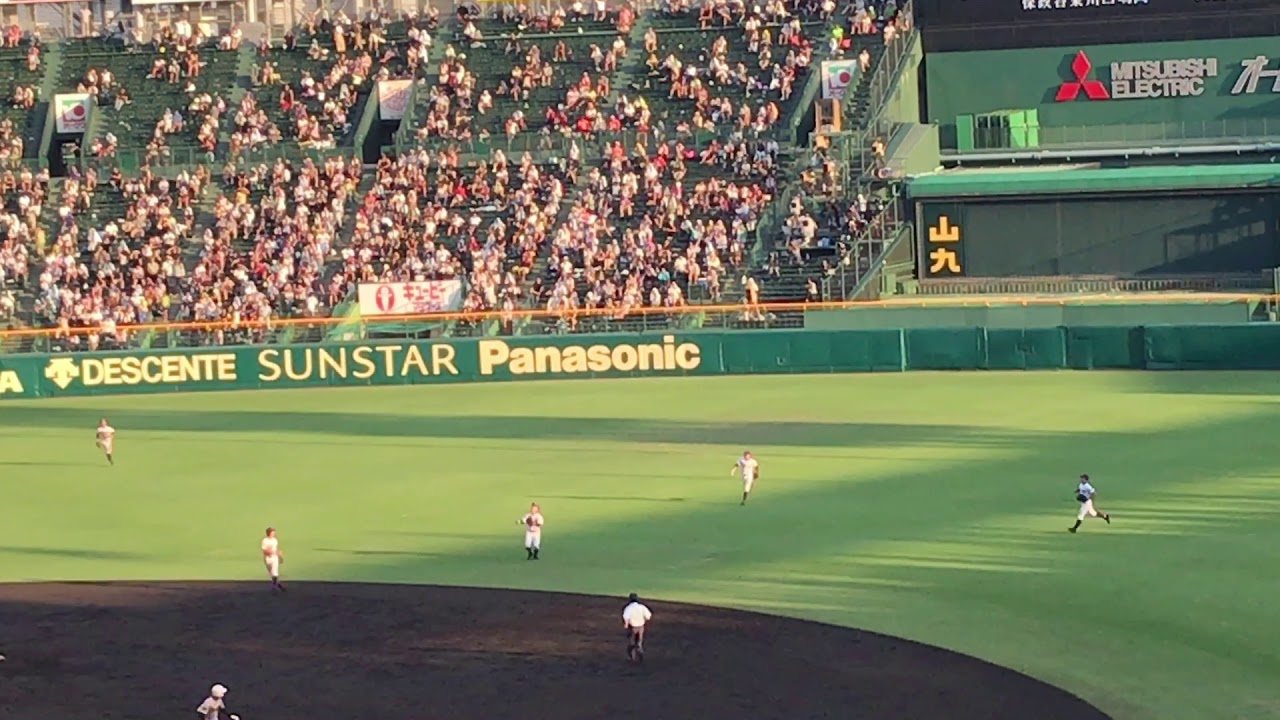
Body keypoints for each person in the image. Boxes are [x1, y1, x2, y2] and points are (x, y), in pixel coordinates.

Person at [622, 592, 652, 663]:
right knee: (639, 641)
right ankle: (640, 651)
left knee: (631, 642)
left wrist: (626, 624)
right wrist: (643, 620)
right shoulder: (642, 607)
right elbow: (648, 616)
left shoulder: (629, 607)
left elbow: (626, 617)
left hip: (632, 627)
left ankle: (632, 658)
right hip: (641, 626)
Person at [262, 527, 285, 592]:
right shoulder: (265, 541)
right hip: (268, 559)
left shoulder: (275, 540)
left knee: (275, 573)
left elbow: (276, 549)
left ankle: (274, 588)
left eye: (274, 533)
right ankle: (279, 585)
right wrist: (269, 552)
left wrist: (279, 556)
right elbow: (264, 551)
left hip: (275, 558)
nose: (274, 534)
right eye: (272, 533)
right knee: (272, 575)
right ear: (268, 533)